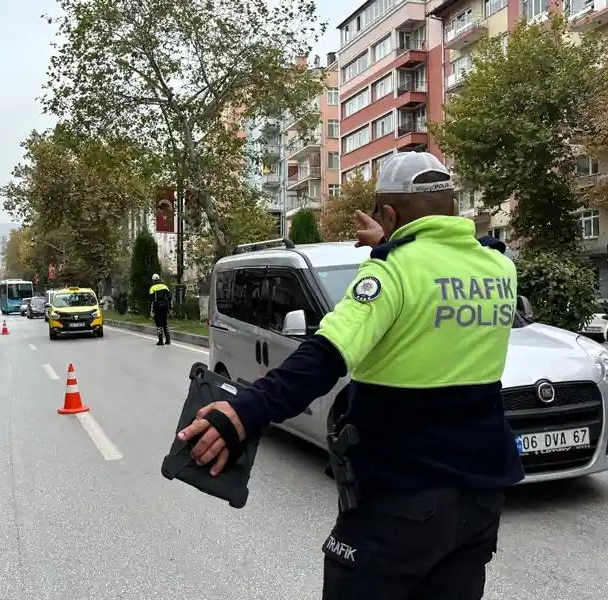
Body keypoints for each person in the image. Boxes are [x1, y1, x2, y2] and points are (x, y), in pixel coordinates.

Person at [177, 152, 523, 600]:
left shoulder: (391, 272)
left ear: (391, 214)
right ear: (453, 207)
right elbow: (437, 274)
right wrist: (393, 240)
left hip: (402, 502)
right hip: (479, 499)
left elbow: (323, 358)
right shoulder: (499, 267)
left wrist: (242, 411)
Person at [148, 274, 172, 346]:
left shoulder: (152, 288)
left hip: (157, 306)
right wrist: (170, 307)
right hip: (165, 305)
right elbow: (169, 297)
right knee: (165, 322)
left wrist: (150, 309)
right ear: (159, 279)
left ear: (153, 280)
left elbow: (151, 300)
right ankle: (168, 340)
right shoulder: (165, 286)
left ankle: (160, 340)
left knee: (158, 323)